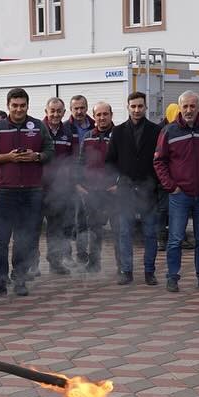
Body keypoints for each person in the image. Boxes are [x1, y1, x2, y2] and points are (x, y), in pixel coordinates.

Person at [0, 88, 52, 297]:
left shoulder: (38, 126)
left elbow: (51, 151)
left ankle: (20, 279)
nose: (19, 109)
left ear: (27, 106)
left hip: (32, 191)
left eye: (22, 105)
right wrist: (8, 158)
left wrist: (37, 156)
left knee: (25, 239)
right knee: (1, 240)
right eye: (15, 105)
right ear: (8, 106)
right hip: (5, 191)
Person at [153, 90, 199, 293]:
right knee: (175, 238)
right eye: (185, 106)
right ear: (180, 107)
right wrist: (171, 186)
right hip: (180, 195)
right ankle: (172, 277)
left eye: (193, 106)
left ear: (198, 107)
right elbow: (159, 161)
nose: (189, 110)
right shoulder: (169, 131)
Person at [107, 91, 162, 286]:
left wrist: (156, 183)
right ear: (128, 107)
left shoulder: (156, 131)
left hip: (149, 191)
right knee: (125, 233)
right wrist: (113, 183)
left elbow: (161, 160)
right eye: (133, 106)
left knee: (150, 233)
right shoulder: (119, 131)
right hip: (125, 191)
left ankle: (149, 272)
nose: (137, 110)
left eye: (140, 106)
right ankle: (126, 271)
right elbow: (110, 160)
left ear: (146, 107)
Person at [75, 101, 116, 273]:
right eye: (98, 115)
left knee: (118, 229)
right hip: (91, 191)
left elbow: (125, 162)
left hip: (113, 191)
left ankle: (123, 266)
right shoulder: (88, 136)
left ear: (111, 115)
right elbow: (81, 162)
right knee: (94, 229)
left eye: (105, 114)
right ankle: (94, 262)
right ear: (94, 116)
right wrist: (78, 184)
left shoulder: (118, 135)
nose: (102, 118)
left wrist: (118, 183)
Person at [41, 97, 78, 274]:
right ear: (46, 112)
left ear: (64, 113)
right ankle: (30, 265)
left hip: (59, 189)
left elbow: (74, 159)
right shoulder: (38, 130)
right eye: (52, 111)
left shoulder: (69, 133)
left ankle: (55, 262)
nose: (55, 114)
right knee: (32, 228)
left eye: (59, 111)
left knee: (56, 228)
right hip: (37, 188)